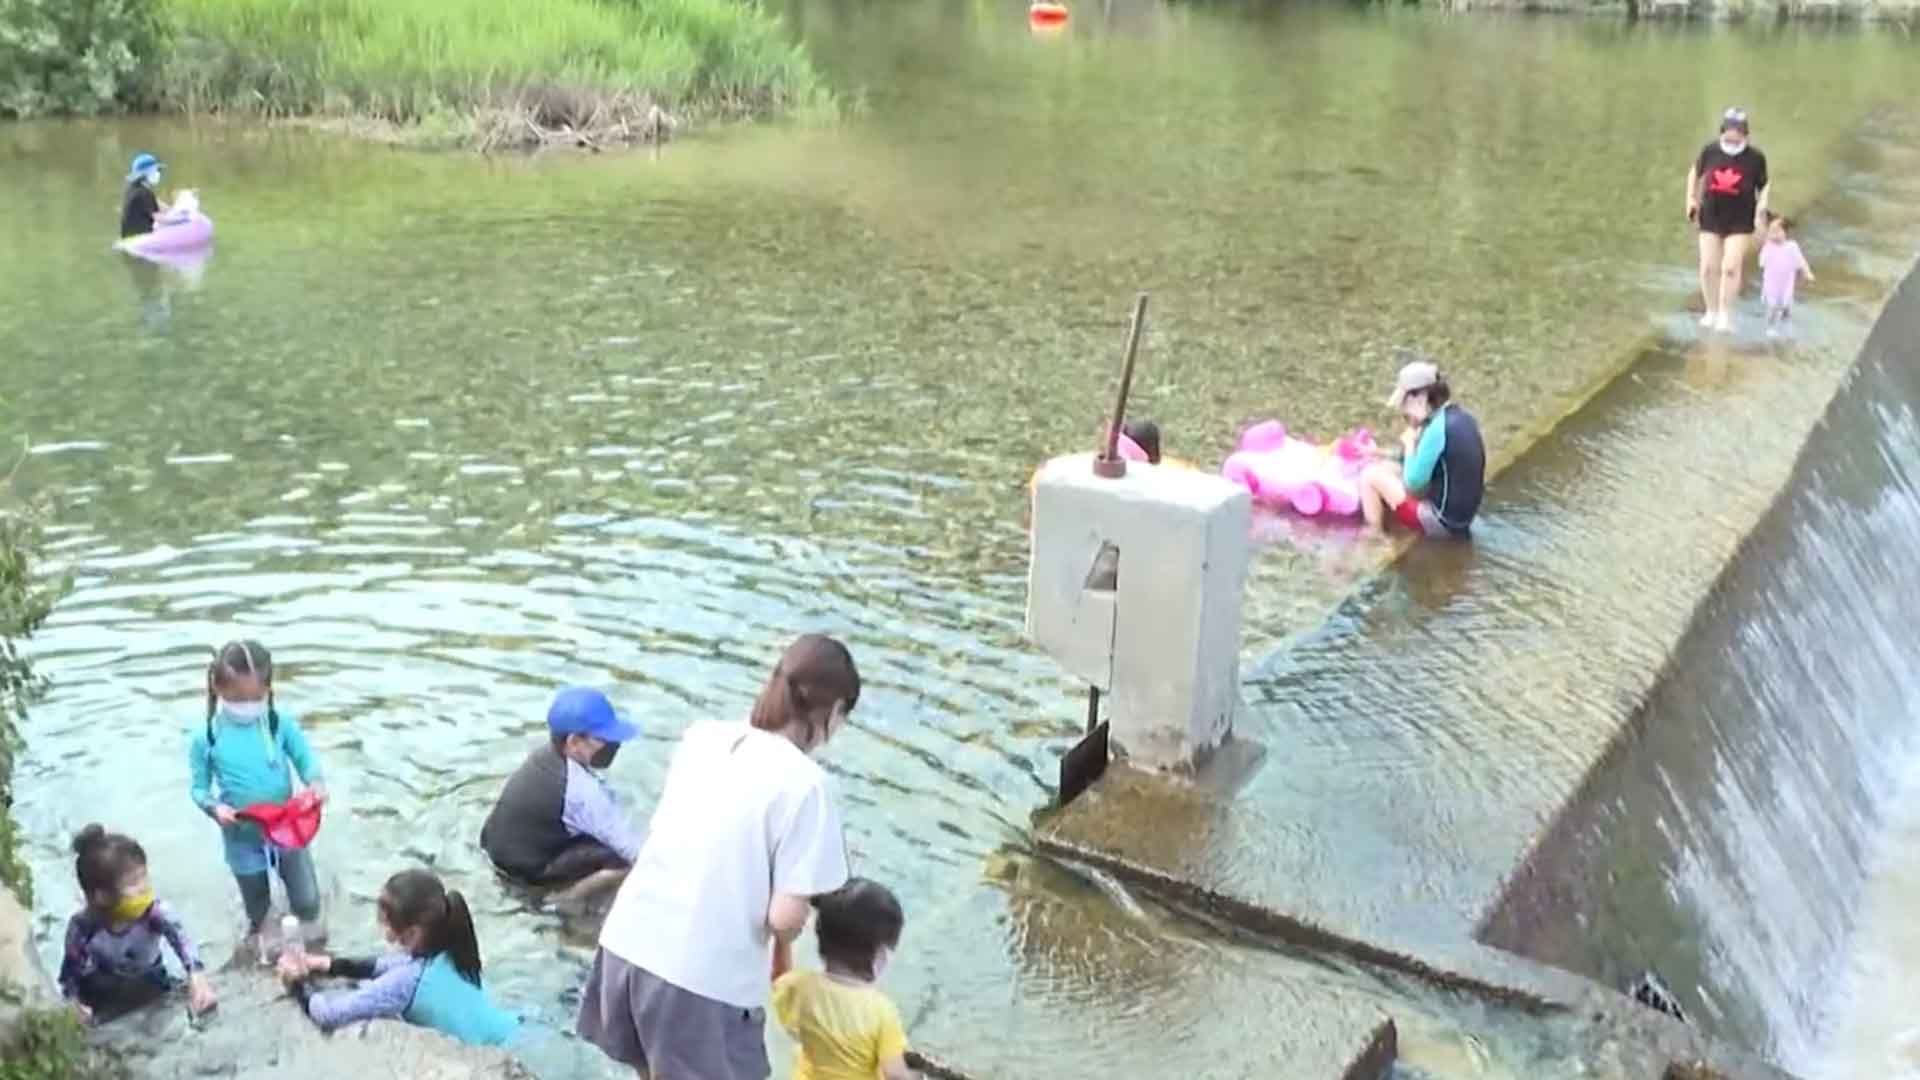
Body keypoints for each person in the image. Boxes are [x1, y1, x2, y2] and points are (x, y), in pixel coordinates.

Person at [577, 633, 860, 1080]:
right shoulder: (808, 785)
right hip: (698, 980)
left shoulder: (702, 737)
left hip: (627, 945)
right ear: (833, 710)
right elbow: (784, 918)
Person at [187, 639, 328, 949]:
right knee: (259, 917)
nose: (247, 704)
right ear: (218, 688)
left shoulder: (278, 723)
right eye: (238, 697)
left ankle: (313, 951)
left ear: (268, 689)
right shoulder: (207, 737)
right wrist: (214, 808)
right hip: (242, 838)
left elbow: (305, 758)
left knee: (308, 905)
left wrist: (315, 783)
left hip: (287, 829)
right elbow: (198, 788)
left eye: (255, 696)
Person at [277, 868, 519, 1047]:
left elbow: (328, 1014)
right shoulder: (450, 947)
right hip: (516, 1030)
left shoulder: (405, 982)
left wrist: (297, 983)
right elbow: (382, 965)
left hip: (509, 1050)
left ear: (412, 932)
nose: (380, 926)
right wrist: (325, 964)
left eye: (385, 920)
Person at [480, 686, 643, 892]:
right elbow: (632, 851)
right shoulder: (582, 791)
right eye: (603, 739)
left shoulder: (543, 755)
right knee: (619, 861)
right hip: (527, 871)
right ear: (574, 741)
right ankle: (564, 901)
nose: (614, 745)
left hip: (496, 848)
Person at [58, 825, 217, 1023]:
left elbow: (183, 943)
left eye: (144, 878)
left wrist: (197, 977)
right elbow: (70, 974)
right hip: (103, 989)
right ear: (102, 896)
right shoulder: (84, 927)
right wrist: (74, 1005)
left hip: (150, 979)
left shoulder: (155, 913)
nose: (145, 888)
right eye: (134, 883)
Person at [772, 878, 915, 1080]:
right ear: (880, 955)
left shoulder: (799, 987)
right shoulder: (882, 1012)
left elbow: (779, 979)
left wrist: (782, 941)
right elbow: (895, 1074)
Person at [1358, 355, 1485, 539]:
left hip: (1441, 523)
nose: (1404, 411)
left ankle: (1374, 533)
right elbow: (1424, 459)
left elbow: (1413, 482)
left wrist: (1410, 444)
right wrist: (1378, 452)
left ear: (1421, 397)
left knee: (1369, 476)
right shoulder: (1457, 416)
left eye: (1405, 402)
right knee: (1385, 467)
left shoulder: (1436, 430)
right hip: (1463, 518)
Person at [1686, 108, 1770, 333]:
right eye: (1729, 130)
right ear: (1722, 130)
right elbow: (1694, 172)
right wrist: (1691, 199)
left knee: (1730, 267)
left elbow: (1764, 187)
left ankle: (1725, 314)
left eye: (1738, 131)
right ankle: (1711, 311)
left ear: (1745, 133)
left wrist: (1761, 212)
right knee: (1707, 268)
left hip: (1740, 219)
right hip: (1711, 215)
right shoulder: (1710, 151)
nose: (1733, 136)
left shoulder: (1755, 158)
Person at [1758, 213, 1815, 337]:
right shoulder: (1768, 247)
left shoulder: (1792, 247)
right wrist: (1765, 245)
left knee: (1786, 304)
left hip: (1786, 283)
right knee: (1772, 306)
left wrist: (1807, 272)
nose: (1773, 234)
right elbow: (1761, 263)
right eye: (1771, 231)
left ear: (1785, 232)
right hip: (1771, 283)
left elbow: (1801, 261)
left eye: (1777, 231)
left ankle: (1786, 319)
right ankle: (1770, 327)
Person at [120, 153, 171, 239]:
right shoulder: (143, 193)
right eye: (157, 170)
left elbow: (158, 204)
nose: (158, 174)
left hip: (127, 236)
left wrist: (176, 210)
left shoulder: (132, 187)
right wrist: (181, 221)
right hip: (141, 238)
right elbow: (159, 218)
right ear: (147, 173)